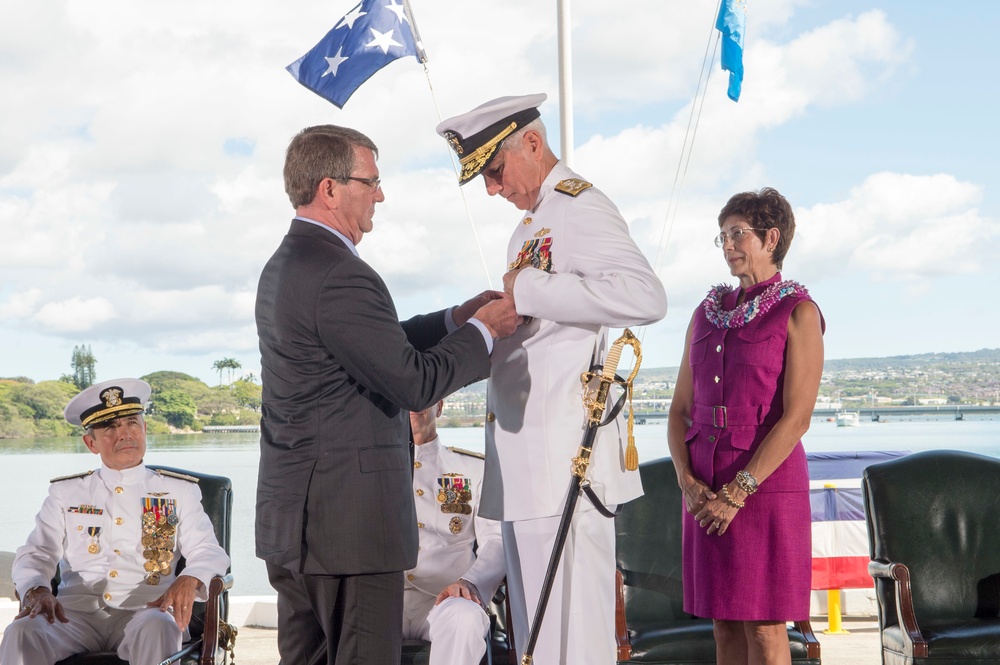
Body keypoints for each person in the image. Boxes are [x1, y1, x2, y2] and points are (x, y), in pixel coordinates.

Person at [255, 124, 520, 664]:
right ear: (330, 189)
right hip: (349, 533)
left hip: (297, 525)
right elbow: (413, 381)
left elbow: (371, 341)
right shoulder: (341, 273)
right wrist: (486, 331)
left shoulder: (287, 265)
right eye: (371, 182)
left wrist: (454, 319)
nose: (381, 194)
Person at [436, 94, 667, 664]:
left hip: (565, 463)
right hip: (525, 468)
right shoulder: (528, 228)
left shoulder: (580, 206)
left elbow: (646, 296)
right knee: (537, 638)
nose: (492, 189)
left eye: (494, 171)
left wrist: (530, 291)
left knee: (574, 638)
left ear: (533, 144)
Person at [666, 188, 825, 665]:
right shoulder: (705, 313)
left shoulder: (799, 311)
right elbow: (678, 411)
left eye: (738, 234)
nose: (728, 245)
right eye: (722, 236)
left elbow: (797, 418)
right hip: (703, 485)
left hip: (766, 486)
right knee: (722, 626)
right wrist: (686, 481)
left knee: (766, 630)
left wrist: (740, 490)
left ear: (771, 238)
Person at [0, 378, 230, 665]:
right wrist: (37, 589)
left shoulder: (179, 491)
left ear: (145, 430)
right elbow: (37, 552)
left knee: (160, 626)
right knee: (22, 631)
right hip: (74, 616)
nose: (124, 434)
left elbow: (208, 551)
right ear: (91, 443)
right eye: (110, 427)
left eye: (132, 423)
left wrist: (190, 577)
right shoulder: (66, 493)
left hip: (145, 611)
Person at [403, 400, 505, 665]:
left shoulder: (475, 469)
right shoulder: (368, 471)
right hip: (383, 599)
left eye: (425, 393)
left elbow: (497, 540)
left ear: (439, 406)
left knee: (465, 618)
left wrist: (471, 582)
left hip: (447, 600)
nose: (414, 400)